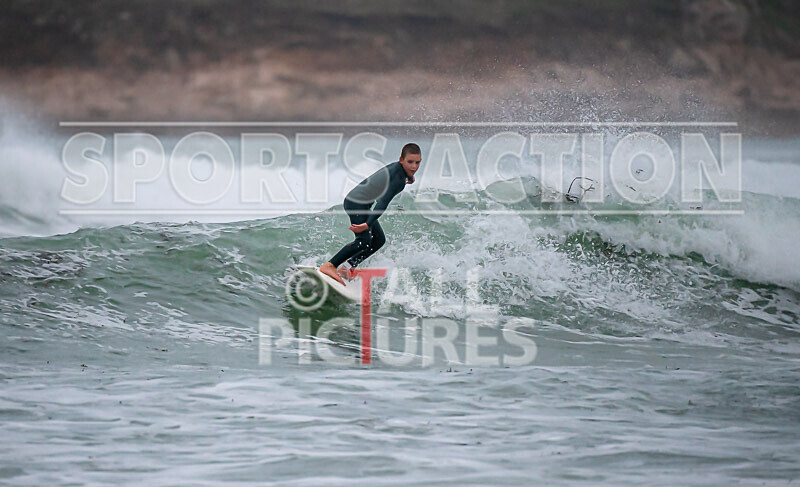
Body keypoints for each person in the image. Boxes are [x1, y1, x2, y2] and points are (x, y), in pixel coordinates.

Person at [319, 143, 421, 285]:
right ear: (401, 160)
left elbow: (393, 178)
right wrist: (367, 224)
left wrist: (407, 177)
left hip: (361, 204)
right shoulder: (399, 180)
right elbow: (382, 203)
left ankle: (346, 268)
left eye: (417, 163)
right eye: (410, 162)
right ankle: (330, 266)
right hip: (356, 203)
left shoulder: (398, 171)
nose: (414, 167)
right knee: (363, 241)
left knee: (379, 240)